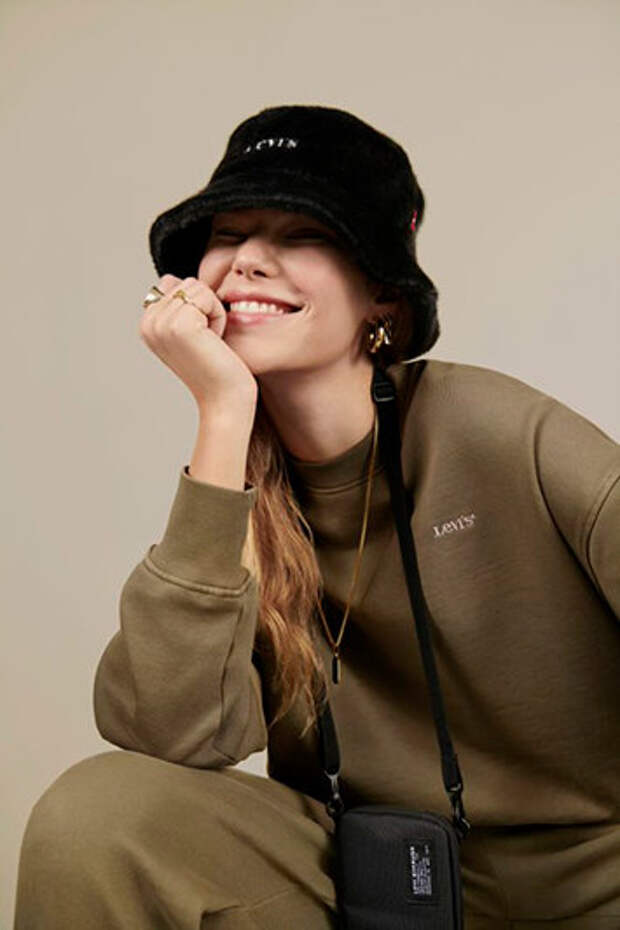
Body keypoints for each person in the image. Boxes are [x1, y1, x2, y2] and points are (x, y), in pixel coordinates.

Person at [13, 105, 620, 930]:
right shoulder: (238, 482)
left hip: (591, 895)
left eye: (303, 235)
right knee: (96, 815)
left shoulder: (500, 433)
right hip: (372, 888)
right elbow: (166, 730)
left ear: (383, 301)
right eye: (229, 235)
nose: (249, 260)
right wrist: (223, 414)